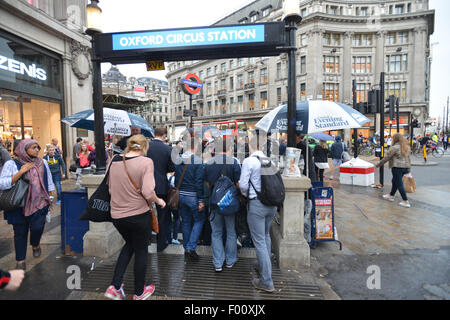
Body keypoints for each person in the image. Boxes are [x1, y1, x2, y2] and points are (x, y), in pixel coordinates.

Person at [105, 134, 166, 301]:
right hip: (138, 215)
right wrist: (159, 200)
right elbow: (147, 191)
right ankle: (139, 292)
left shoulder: (114, 160)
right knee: (141, 251)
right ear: (144, 147)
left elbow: (109, 188)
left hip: (117, 216)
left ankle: (115, 286)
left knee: (130, 245)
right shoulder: (146, 162)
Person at [0, 140, 55, 271]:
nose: (37, 150)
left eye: (38, 147)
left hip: (39, 203)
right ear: (23, 149)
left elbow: (48, 181)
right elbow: (2, 183)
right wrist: (20, 172)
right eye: (33, 147)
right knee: (20, 232)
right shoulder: (12, 164)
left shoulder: (43, 162)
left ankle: (35, 244)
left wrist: (50, 196)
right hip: (18, 204)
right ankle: (20, 261)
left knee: (37, 227)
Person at [238, 135, 276, 293]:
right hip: (272, 205)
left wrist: (247, 195)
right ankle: (263, 266)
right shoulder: (270, 161)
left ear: (250, 145)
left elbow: (243, 186)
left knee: (259, 241)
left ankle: (267, 281)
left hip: (257, 205)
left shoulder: (249, 161)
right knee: (265, 236)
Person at [205, 136, 241, 272]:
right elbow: (239, 185)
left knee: (216, 233)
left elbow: (207, 183)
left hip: (214, 203)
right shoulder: (234, 163)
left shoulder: (209, 163)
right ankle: (230, 260)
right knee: (231, 232)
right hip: (230, 204)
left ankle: (218, 263)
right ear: (230, 148)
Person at [175, 129, 205, 261]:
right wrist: (201, 200)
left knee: (186, 222)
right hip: (193, 196)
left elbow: (176, 180)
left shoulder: (179, 159)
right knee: (199, 220)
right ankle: (191, 248)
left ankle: (186, 246)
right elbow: (199, 182)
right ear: (196, 146)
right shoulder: (198, 161)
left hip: (180, 195)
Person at [146, 127, 175, 252]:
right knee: (163, 216)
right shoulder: (168, 149)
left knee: (144, 214)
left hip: (144, 185)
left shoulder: (145, 147)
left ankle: (145, 241)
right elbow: (171, 168)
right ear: (164, 135)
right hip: (161, 186)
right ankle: (161, 243)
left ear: (153, 134)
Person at [376, 133, 412, 208]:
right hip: (404, 167)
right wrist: (408, 169)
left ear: (395, 139)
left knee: (399, 183)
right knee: (394, 181)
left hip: (397, 167)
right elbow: (409, 159)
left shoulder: (394, 147)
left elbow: (387, 158)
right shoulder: (406, 147)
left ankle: (405, 201)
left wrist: (378, 164)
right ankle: (391, 195)